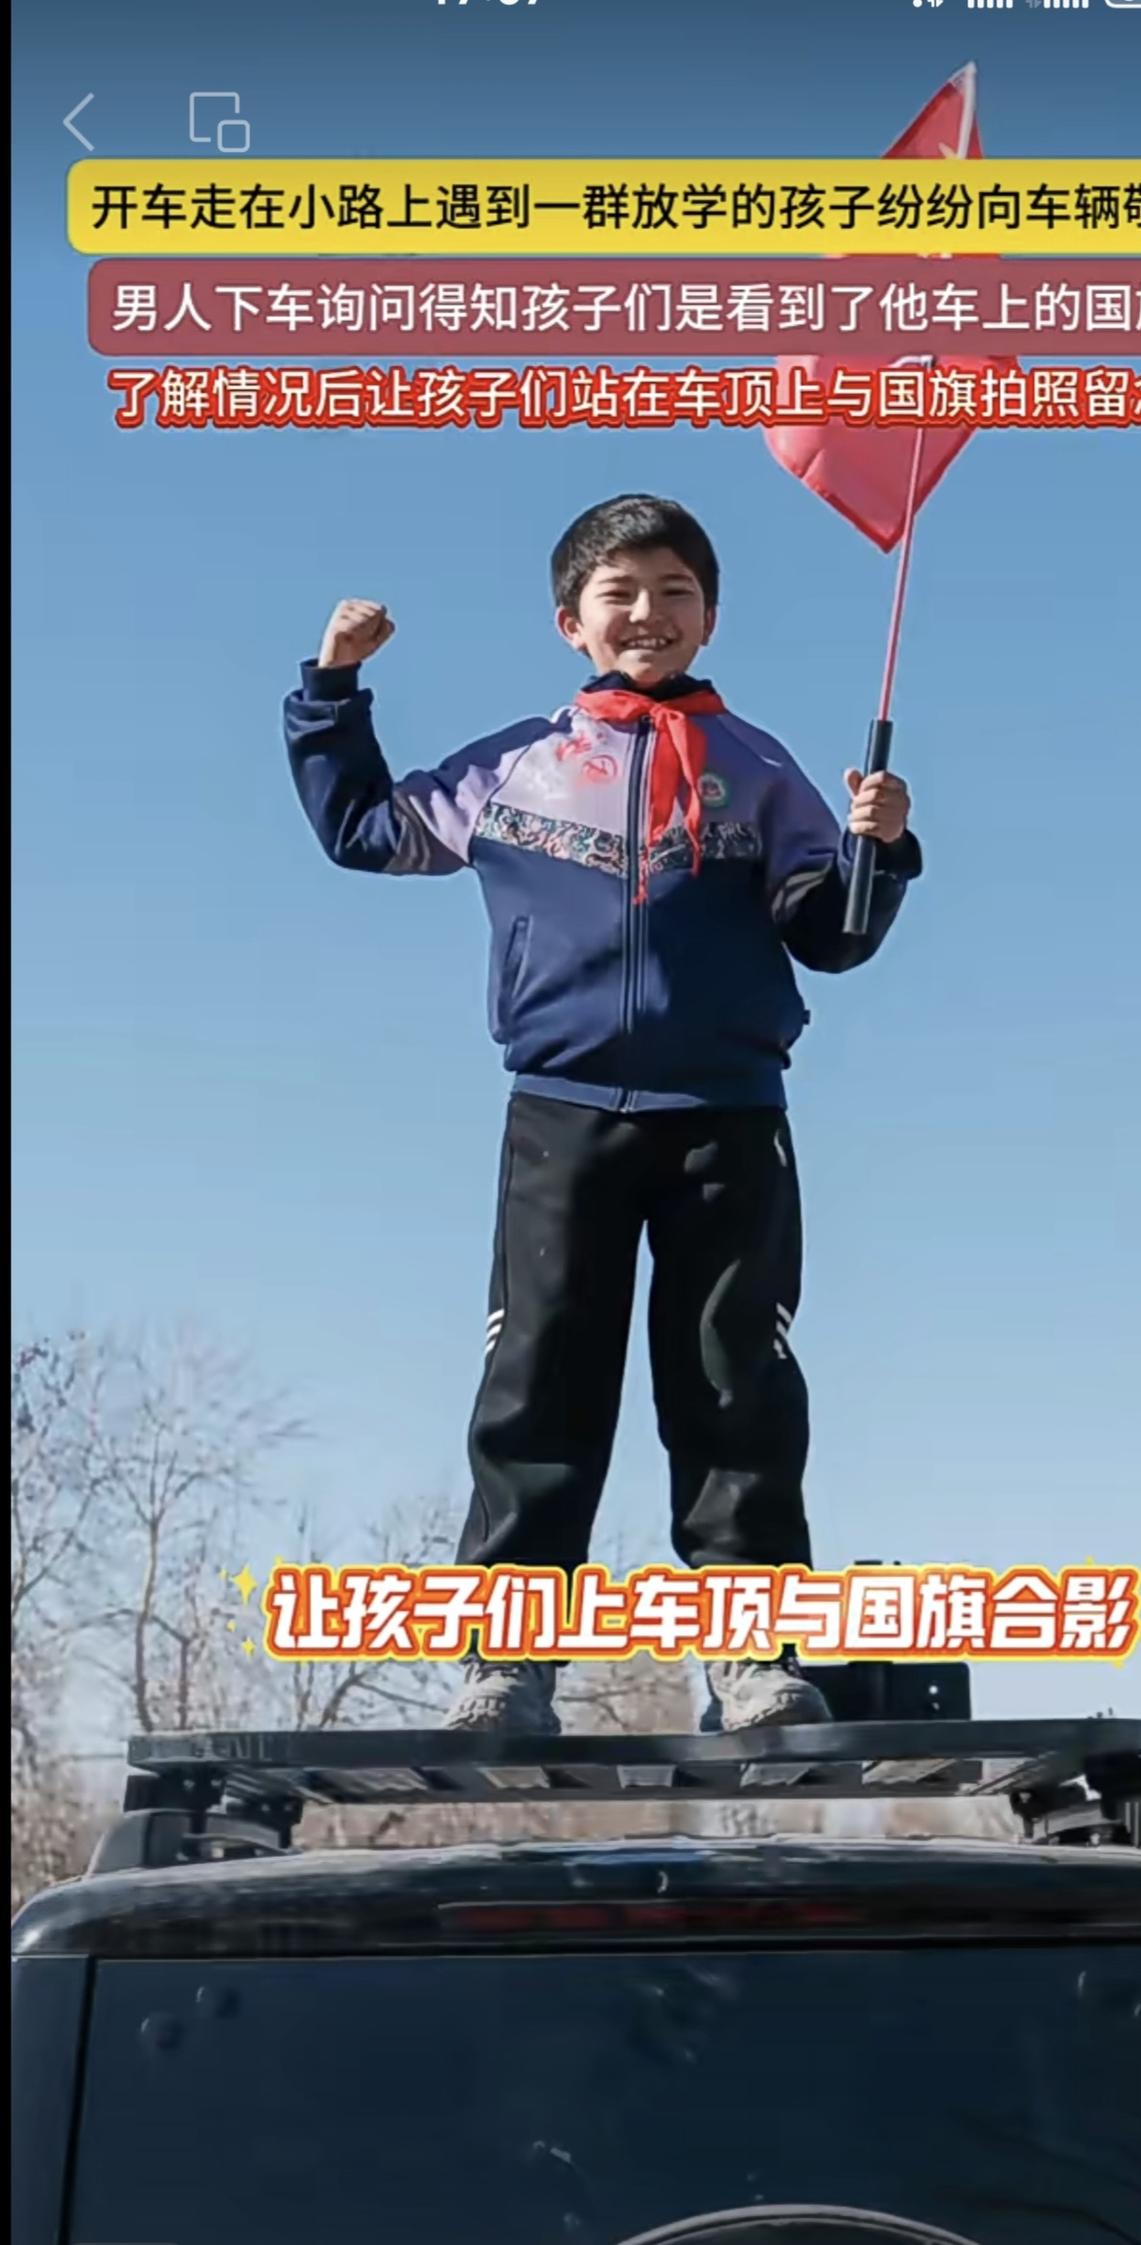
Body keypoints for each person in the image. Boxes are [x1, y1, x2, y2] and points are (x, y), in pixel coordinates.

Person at [283, 494, 921, 1733]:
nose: (647, 612)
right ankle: (507, 1665)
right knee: (538, 1386)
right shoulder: (515, 764)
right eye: (618, 592)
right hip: (560, 1112)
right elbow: (364, 830)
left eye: (674, 591)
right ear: (569, 622)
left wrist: (876, 851)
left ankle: (751, 1660)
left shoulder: (757, 768)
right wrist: (332, 689)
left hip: (727, 1116)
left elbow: (827, 935)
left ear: (709, 616)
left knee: (734, 1387)